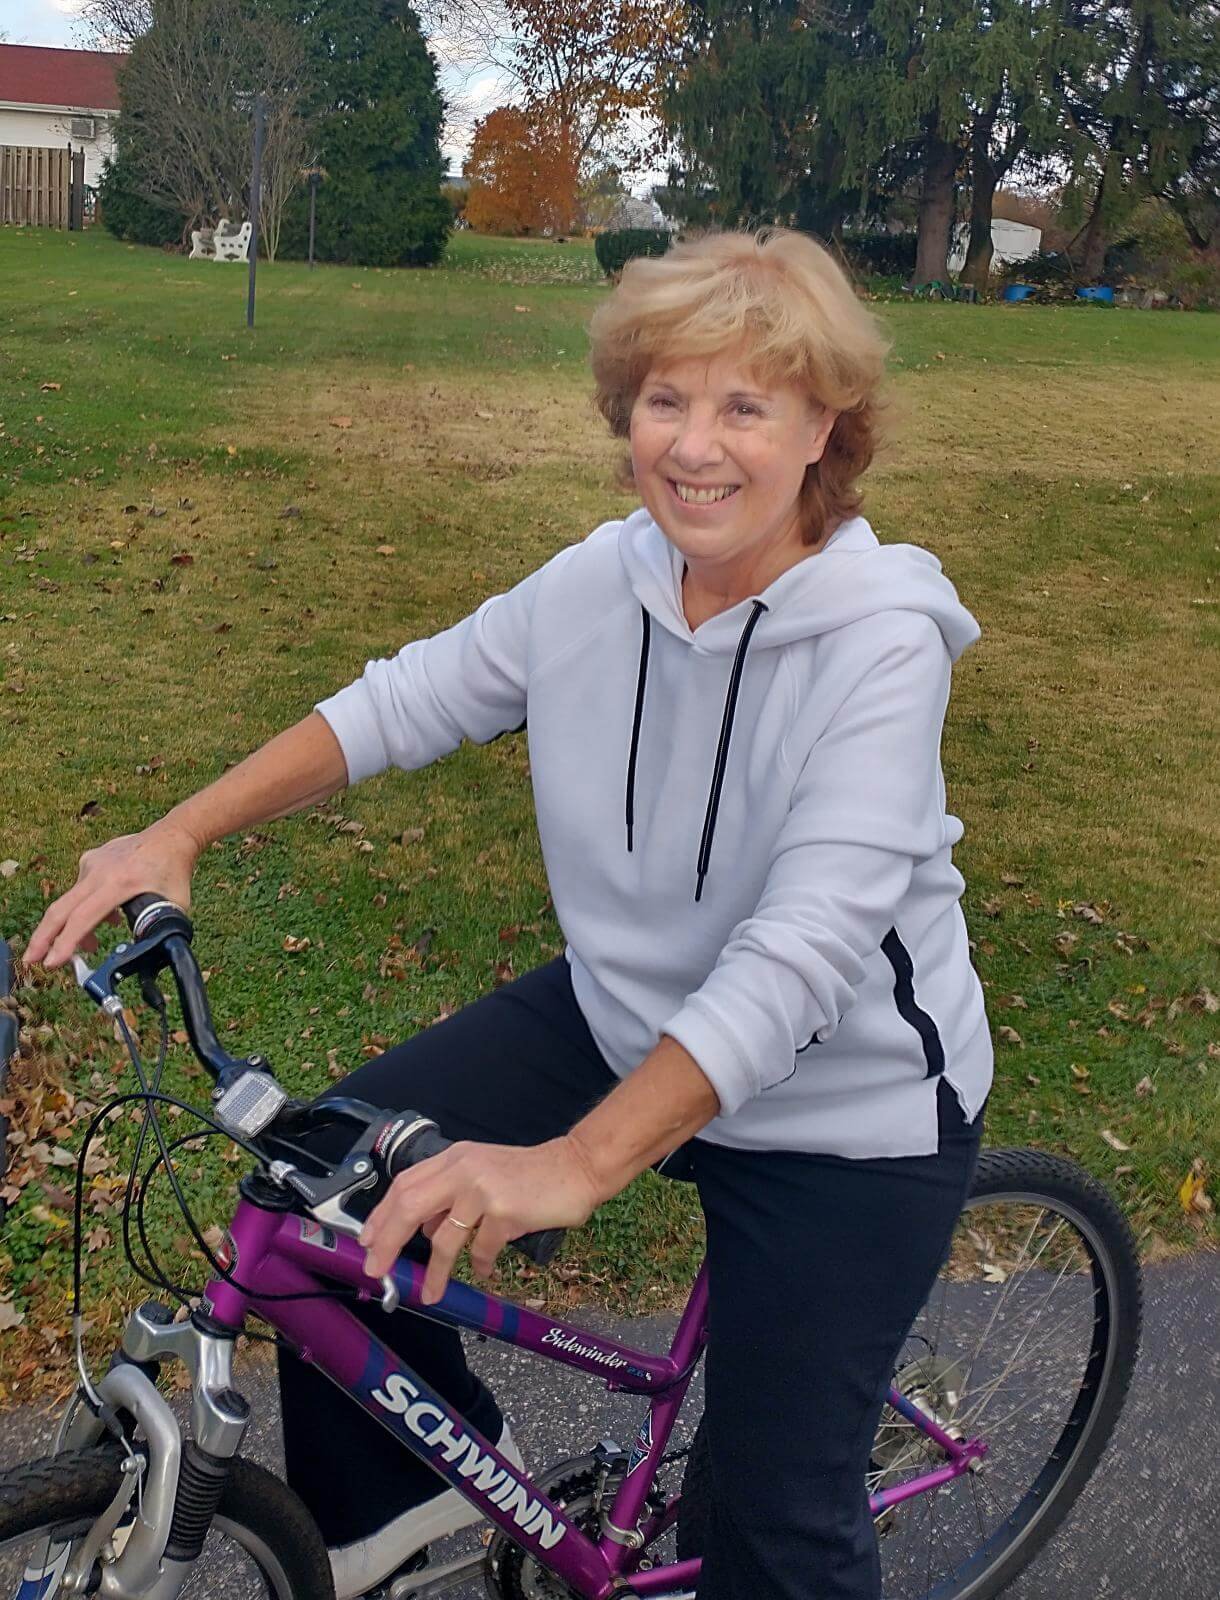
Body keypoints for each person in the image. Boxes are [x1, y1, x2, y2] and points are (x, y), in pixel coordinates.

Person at [27, 227, 992, 1600]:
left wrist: (575, 1167)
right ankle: (422, 1514)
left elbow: (804, 956)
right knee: (321, 1213)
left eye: (745, 405)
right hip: (622, 1019)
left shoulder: (882, 644)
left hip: (848, 1110)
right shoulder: (602, 581)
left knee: (772, 1523)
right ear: (624, 413)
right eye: (667, 398)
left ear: (823, 425)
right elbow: (403, 702)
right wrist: (179, 830)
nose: (697, 445)